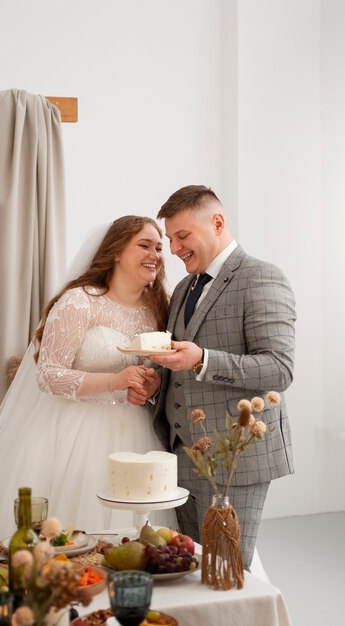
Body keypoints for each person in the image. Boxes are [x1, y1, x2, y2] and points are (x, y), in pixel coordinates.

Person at [0, 215, 176, 542]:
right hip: (75, 432)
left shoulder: (158, 309)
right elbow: (49, 374)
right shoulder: (80, 301)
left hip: (137, 436)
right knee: (68, 538)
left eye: (159, 246)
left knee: (135, 538)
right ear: (116, 252)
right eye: (144, 245)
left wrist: (150, 386)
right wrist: (115, 382)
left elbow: (158, 370)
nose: (155, 254)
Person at [144, 185, 296, 570]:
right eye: (170, 239)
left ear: (217, 222)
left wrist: (204, 360)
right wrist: (155, 384)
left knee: (227, 573)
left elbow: (279, 368)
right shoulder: (182, 288)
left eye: (182, 237)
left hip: (235, 460)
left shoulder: (261, 277)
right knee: (191, 573)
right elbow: (177, 365)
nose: (174, 250)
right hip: (181, 455)